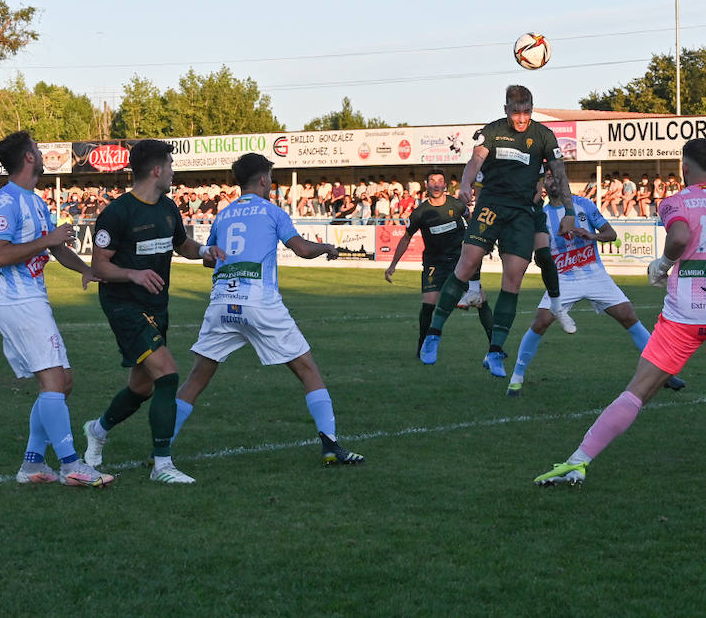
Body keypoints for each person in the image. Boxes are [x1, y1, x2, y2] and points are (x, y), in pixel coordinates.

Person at [535, 138, 706, 488]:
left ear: (684, 167)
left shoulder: (675, 201)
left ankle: (578, 461)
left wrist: (664, 263)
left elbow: (681, 235)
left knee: (638, 390)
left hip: (686, 314)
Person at [173, 152, 364, 467]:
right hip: (258, 301)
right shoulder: (273, 212)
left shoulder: (222, 216)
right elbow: (300, 248)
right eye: (271, 177)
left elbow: (209, 258)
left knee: (197, 377)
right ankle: (331, 445)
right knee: (307, 369)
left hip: (222, 301)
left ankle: (161, 448)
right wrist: (327, 248)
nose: (271, 182)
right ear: (263, 179)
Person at [80, 140, 221, 485]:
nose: (173, 171)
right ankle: (162, 465)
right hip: (124, 305)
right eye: (170, 165)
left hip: (157, 306)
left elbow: (182, 245)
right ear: (157, 170)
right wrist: (134, 274)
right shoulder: (117, 213)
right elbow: (99, 266)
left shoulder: (168, 208)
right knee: (168, 375)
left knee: (142, 387)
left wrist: (206, 250)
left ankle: (97, 430)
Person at [418, 85, 572, 378]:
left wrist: (571, 212)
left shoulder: (544, 136)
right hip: (491, 207)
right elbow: (475, 160)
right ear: (506, 110)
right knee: (467, 263)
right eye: (516, 112)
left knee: (512, 281)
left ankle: (495, 352)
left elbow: (560, 174)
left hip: (523, 214)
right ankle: (434, 334)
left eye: (526, 111)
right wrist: (465, 184)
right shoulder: (491, 131)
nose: (522, 118)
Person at [0, 131, 113, 488]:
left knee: (63, 382)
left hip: (32, 300)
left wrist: (85, 269)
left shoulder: (36, 202)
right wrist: (49, 239)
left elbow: (55, 249)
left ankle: (32, 464)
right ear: (28, 157)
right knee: (54, 380)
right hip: (17, 301)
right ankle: (72, 464)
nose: (42, 154)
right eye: (38, 150)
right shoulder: (6, 201)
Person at [507, 168, 685, 396]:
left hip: (594, 275)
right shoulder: (540, 216)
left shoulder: (585, 205)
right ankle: (516, 377)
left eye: (557, 177)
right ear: (543, 184)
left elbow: (611, 234)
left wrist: (592, 236)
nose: (553, 181)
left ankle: (664, 374)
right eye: (548, 177)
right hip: (563, 277)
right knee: (541, 321)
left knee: (629, 316)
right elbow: (538, 255)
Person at [384, 168, 493, 357]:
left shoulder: (457, 205)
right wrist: (393, 265)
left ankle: (495, 347)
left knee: (481, 301)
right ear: (426, 185)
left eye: (439, 180)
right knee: (429, 304)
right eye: (432, 181)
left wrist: (480, 239)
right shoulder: (420, 212)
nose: (436, 184)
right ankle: (422, 345)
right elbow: (406, 238)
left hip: (460, 262)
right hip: (435, 263)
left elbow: (472, 221)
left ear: (445, 185)